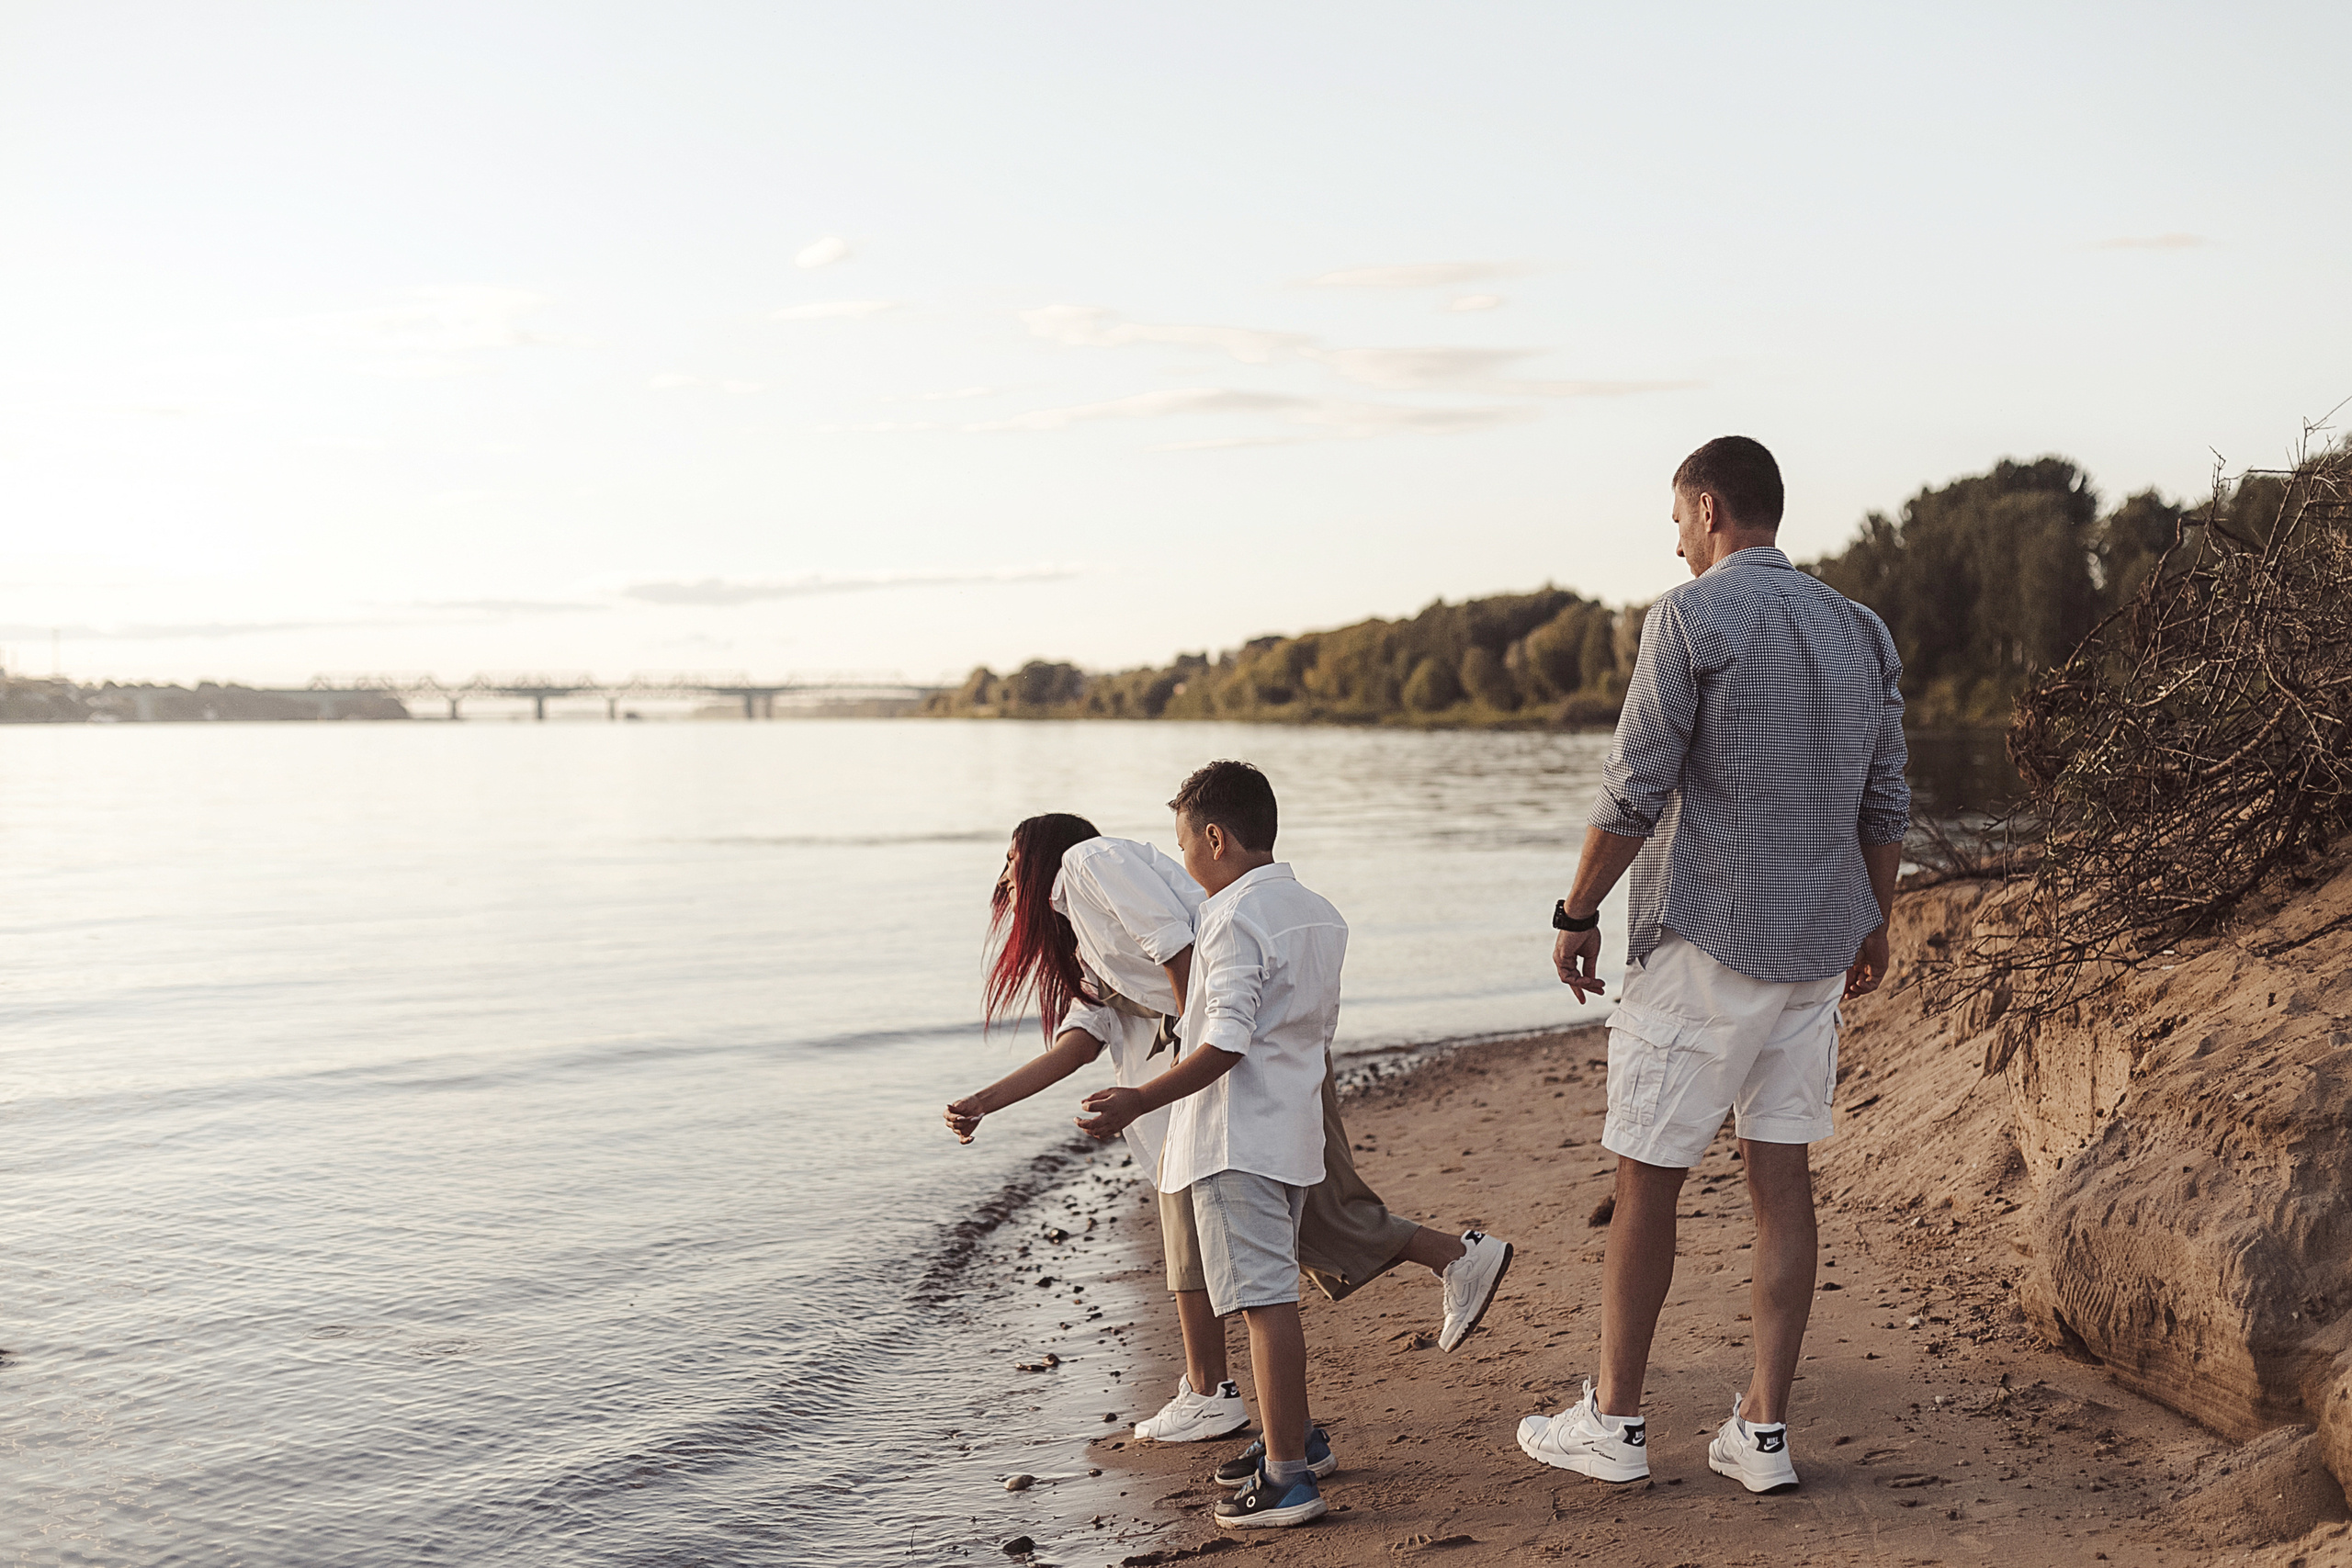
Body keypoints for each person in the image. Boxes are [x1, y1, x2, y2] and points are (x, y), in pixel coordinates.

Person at [1514, 435, 1909, 1496]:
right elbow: (1885, 802)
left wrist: (1575, 906)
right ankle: (1763, 1434)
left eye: (1678, 518)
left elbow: (1635, 786)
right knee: (1781, 1178)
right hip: (1816, 948)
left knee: (1647, 1180)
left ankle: (1616, 1422)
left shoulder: (1688, 616)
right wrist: (1874, 921)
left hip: (1704, 942)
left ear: (1706, 509)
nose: (1674, 538)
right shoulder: (1860, 629)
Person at [946, 807, 1514, 1448]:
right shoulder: (1081, 929)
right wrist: (985, 1101)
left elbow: (1178, 949)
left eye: (1012, 856)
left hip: (1235, 1053)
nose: (1005, 873)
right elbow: (1083, 1038)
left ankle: (1241, 1412)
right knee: (1289, 1220)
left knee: (1283, 1232)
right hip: (1220, 1063)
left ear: (1043, 849)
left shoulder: (1090, 861)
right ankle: (1239, 1392)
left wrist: (1188, 1062)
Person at [1076, 761, 1346, 1529]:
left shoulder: (1229, 916)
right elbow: (1307, 1034)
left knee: (1264, 1304)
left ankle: (1288, 1474)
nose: (1185, 864)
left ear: (1216, 837)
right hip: (1291, 1131)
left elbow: (1225, 1040)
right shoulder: (1319, 911)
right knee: (1270, 1299)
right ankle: (1294, 1444)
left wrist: (1136, 1097)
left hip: (1234, 1139)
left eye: (1185, 845)